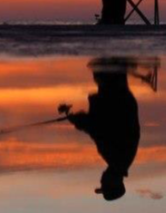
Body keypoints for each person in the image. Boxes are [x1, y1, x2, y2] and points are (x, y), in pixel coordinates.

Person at [60, 58, 141, 200]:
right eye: (104, 184)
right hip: (115, 100)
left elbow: (97, 128)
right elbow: (100, 128)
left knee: (107, 70)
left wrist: (78, 120)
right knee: (105, 70)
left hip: (115, 99)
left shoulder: (118, 160)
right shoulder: (118, 158)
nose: (101, 181)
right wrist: (80, 121)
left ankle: (117, 57)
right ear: (114, 183)